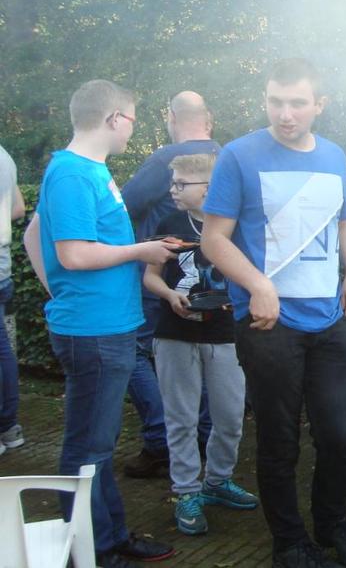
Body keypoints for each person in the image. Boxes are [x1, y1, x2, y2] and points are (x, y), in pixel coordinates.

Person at [201, 59, 346, 568]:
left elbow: (344, 221)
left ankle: (332, 524)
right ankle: (289, 542)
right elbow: (213, 238)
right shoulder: (239, 155)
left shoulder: (335, 156)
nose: (285, 113)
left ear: (319, 105)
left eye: (297, 102)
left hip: (328, 320)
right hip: (267, 323)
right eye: (276, 101)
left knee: (340, 435)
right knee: (278, 438)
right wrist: (256, 284)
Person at [23, 79, 177, 568]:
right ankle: (89, 550)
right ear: (113, 118)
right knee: (86, 447)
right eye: (132, 119)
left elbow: (33, 232)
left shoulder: (90, 170)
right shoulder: (72, 174)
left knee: (99, 445)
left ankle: (109, 537)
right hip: (93, 333)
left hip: (104, 326)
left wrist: (59, 292)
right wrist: (141, 252)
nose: (133, 129)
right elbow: (71, 252)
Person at [143, 153, 258, 536]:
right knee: (181, 419)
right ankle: (187, 492)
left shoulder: (235, 225)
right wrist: (170, 297)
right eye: (172, 182)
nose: (172, 190)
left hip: (226, 334)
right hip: (175, 334)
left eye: (180, 184)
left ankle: (218, 482)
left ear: (208, 187)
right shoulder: (169, 222)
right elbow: (151, 277)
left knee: (229, 417)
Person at [120, 91, 219, 478]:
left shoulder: (166, 160)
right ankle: (206, 443)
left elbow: (122, 206)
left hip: (164, 282)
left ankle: (162, 440)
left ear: (171, 117)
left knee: (135, 352)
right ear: (208, 120)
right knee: (207, 358)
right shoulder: (225, 155)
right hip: (214, 280)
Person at [0, 142, 27, 456]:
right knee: (3, 350)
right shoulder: (5, 156)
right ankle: (8, 426)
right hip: (3, 268)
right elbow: (18, 208)